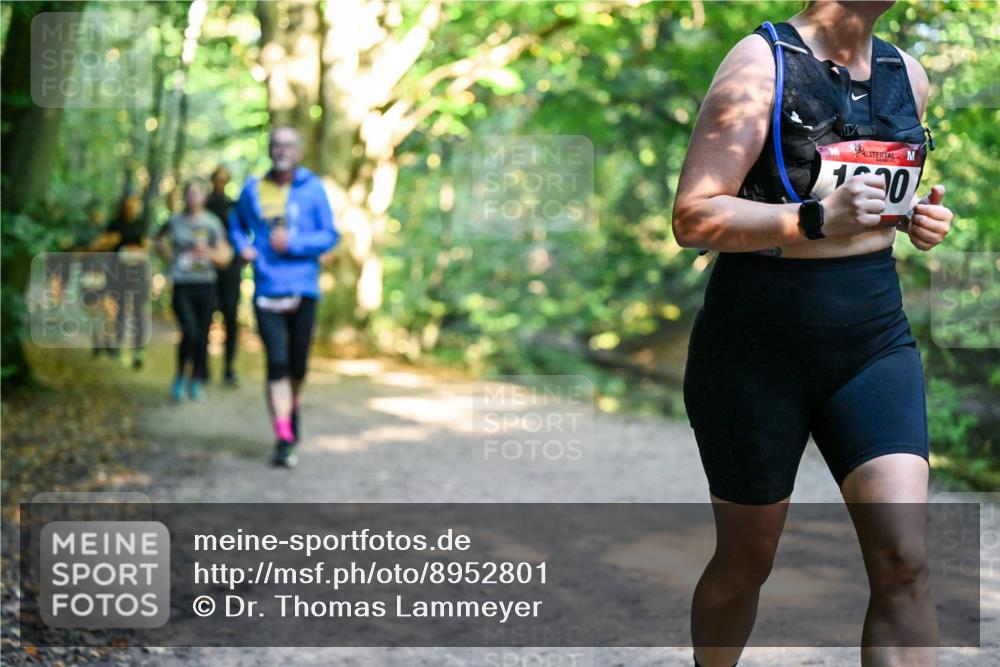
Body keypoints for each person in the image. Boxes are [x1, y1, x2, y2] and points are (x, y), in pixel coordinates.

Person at [671, 2, 954, 666]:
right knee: (745, 561)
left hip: (872, 339)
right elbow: (694, 216)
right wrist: (812, 219)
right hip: (757, 346)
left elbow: (876, 201)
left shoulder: (905, 73)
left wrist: (918, 220)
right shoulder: (760, 63)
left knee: (905, 559)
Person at [229, 127, 338, 467]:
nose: (282, 150)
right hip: (266, 287)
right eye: (276, 144)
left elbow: (329, 235)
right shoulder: (253, 189)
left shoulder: (313, 188)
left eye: (288, 144)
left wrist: (293, 244)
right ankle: (283, 435)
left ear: (299, 150)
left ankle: (290, 410)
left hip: (303, 286)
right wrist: (243, 246)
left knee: (297, 365)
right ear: (269, 149)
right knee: (276, 361)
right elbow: (237, 224)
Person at [156, 179, 232, 401]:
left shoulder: (212, 223)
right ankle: (180, 376)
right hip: (182, 283)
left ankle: (196, 379)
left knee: (202, 334)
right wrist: (169, 256)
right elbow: (158, 240)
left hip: (206, 284)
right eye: (189, 192)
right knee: (189, 330)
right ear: (184, 196)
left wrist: (207, 251)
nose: (193, 197)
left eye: (197, 193)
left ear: (204, 197)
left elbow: (225, 255)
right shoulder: (174, 220)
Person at [102, 191, 151, 369]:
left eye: (134, 204)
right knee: (120, 308)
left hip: (137, 273)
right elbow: (104, 245)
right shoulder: (115, 224)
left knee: (138, 310)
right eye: (128, 204)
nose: (131, 207)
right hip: (118, 272)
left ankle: (138, 350)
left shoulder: (140, 224)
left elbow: (146, 246)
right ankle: (117, 342)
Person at [206, 165, 243, 386]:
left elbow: (244, 232)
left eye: (224, 178)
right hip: (208, 270)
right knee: (205, 318)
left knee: (231, 318)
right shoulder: (205, 205)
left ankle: (229, 368)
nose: (221, 182)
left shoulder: (234, 205)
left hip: (231, 269)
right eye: (218, 178)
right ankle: (203, 368)